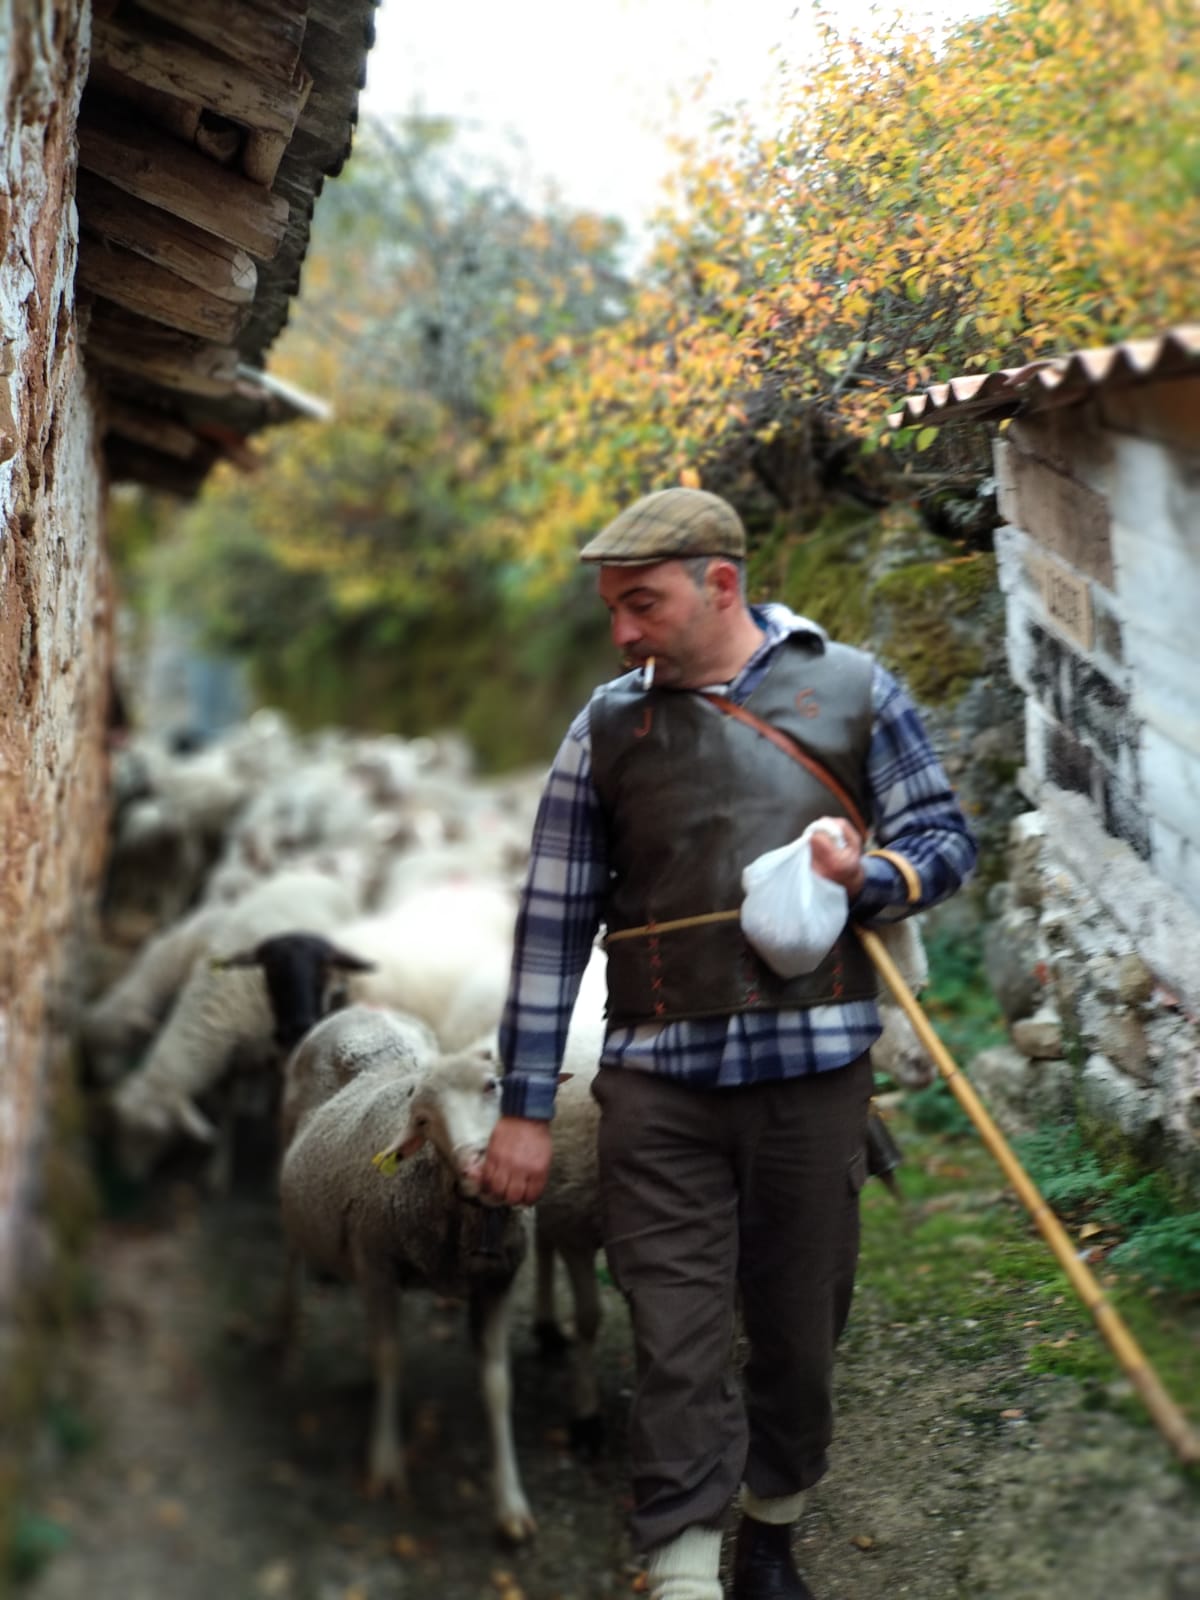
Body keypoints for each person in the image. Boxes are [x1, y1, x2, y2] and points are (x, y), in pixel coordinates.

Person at [483, 487, 977, 1600]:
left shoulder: (854, 689)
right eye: (611, 608)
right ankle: (686, 1566)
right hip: (658, 1086)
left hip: (814, 1080)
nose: (620, 632)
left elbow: (946, 838)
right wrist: (522, 1103)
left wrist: (875, 878)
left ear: (721, 583)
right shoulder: (606, 726)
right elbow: (553, 916)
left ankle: (772, 1523)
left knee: (801, 1331)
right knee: (675, 1336)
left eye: (641, 603)